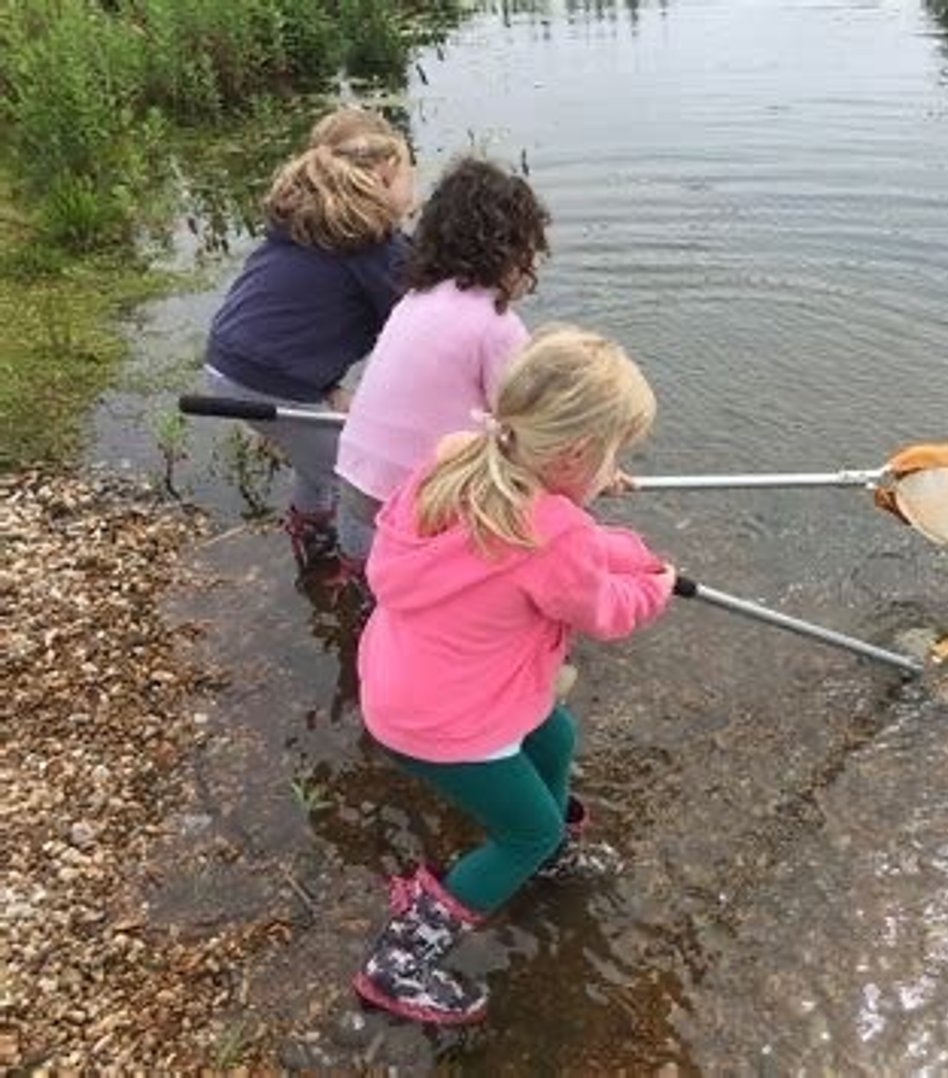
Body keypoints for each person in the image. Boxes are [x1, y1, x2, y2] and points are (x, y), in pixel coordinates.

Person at [351, 327, 674, 1025]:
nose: (618, 467)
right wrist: (657, 579)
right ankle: (400, 959)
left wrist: (593, 516)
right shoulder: (554, 534)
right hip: (449, 721)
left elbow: (562, 540)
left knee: (554, 738)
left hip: (411, 678)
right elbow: (605, 609)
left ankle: (549, 852)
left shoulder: (457, 459)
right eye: (614, 455)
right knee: (521, 832)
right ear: (576, 456)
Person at [203, 107, 414, 574]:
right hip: (270, 378)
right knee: (361, 485)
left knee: (317, 458)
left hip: (233, 361)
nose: (412, 191)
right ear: (381, 178)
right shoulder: (373, 244)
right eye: (408, 176)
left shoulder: (313, 221)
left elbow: (300, 315)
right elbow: (417, 325)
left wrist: (326, 390)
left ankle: (311, 538)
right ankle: (365, 584)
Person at [332, 157, 551, 597]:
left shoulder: (415, 298)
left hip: (353, 486)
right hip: (408, 506)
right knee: (529, 537)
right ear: (513, 251)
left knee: (372, 611)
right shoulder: (496, 324)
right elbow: (530, 428)